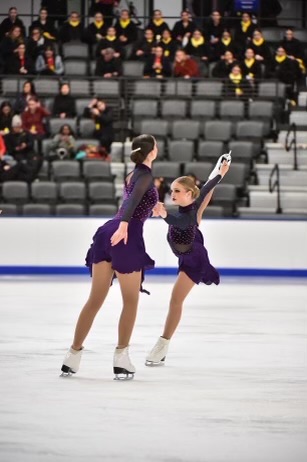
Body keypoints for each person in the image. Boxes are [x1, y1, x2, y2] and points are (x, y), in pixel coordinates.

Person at [60, 134, 159, 380]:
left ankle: (72, 357)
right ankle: (121, 359)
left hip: (107, 232)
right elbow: (133, 201)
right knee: (130, 301)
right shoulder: (145, 175)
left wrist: (153, 208)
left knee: (94, 300)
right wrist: (125, 225)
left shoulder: (132, 174)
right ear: (151, 152)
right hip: (126, 234)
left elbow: (135, 201)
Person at [145, 154, 231, 366]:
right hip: (187, 254)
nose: (172, 193)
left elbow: (177, 220)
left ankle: (162, 346)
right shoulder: (192, 205)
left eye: (176, 191)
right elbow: (209, 187)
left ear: (189, 193)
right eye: (172, 190)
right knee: (203, 200)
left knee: (175, 301)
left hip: (194, 259)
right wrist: (220, 172)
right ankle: (163, 346)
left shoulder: (186, 216)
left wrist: (164, 214)